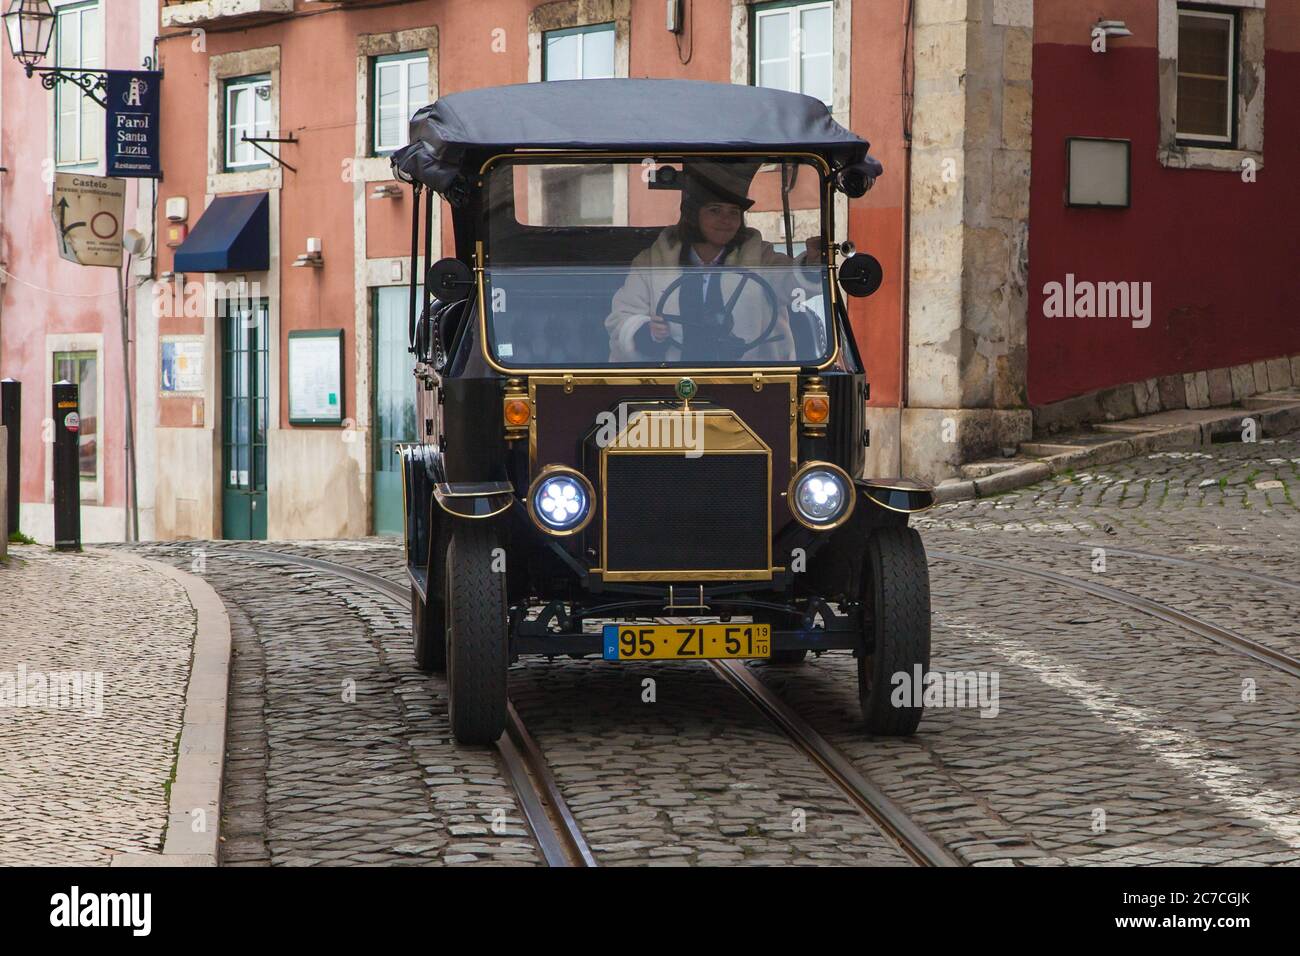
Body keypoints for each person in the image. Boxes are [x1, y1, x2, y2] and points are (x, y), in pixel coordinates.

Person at [605, 163, 824, 363]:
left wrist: (812, 265)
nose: (726, 220)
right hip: (672, 383)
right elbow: (621, 319)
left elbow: (790, 282)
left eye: (734, 212)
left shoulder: (759, 257)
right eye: (715, 211)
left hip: (752, 380)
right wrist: (647, 331)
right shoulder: (653, 261)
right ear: (693, 215)